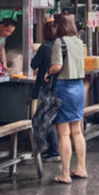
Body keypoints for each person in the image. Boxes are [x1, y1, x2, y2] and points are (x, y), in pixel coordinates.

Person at [45, 13, 87, 184]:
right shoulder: (78, 41)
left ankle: (65, 174)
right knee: (77, 130)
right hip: (79, 88)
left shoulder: (59, 42)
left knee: (63, 133)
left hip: (64, 88)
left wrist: (48, 73)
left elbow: (57, 66)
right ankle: (82, 168)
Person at [30, 21, 59, 161]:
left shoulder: (45, 47)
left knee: (44, 119)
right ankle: (51, 148)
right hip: (57, 86)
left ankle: (53, 150)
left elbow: (34, 64)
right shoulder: (60, 46)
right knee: (49, 118)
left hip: (45, 86)